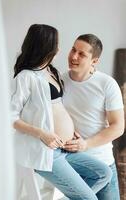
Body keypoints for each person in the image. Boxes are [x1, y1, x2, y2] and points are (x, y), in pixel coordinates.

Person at [11, 24, 112, 200]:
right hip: (47, 151)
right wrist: (43, 133)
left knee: (103, 174)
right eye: (56, 42)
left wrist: (68, 130)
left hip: (63, 148)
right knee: (90, 198)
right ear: (46, 45)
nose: (59, 47)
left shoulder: (51, 71)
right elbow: (10, 117)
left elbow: (55, 108)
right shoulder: (25, 77)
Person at [62, 34, 125, 200]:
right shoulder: (59, 81)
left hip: (102, 163)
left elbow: (118, 126)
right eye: (73, 49)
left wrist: (86, 144)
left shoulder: (107, 84)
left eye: (82, 54)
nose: (74, 56)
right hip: (72, 165)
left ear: (94, 61)